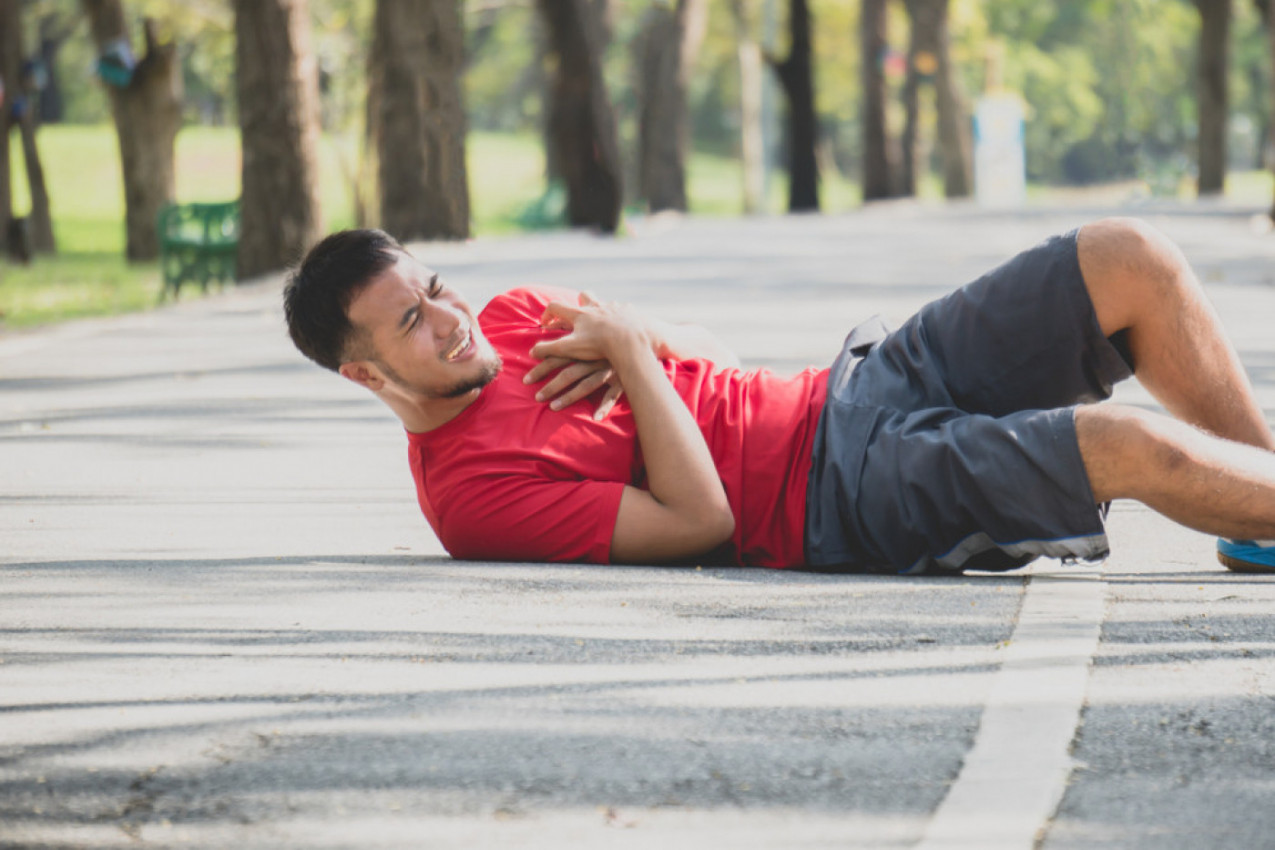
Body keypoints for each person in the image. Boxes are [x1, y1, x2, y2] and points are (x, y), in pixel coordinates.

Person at [283, 218, 1275, 575]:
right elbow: (701, 520)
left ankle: (1258, 523)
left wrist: (644, 340)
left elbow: (714, 358)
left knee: (1127, 257)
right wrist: (627, 349)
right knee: (1125, 445)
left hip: (852, 383)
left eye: (435, 289)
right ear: (366, 373)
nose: (449, 319)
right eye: (410, 322)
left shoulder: (511, 314)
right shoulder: (470, 496)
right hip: (834, 499)